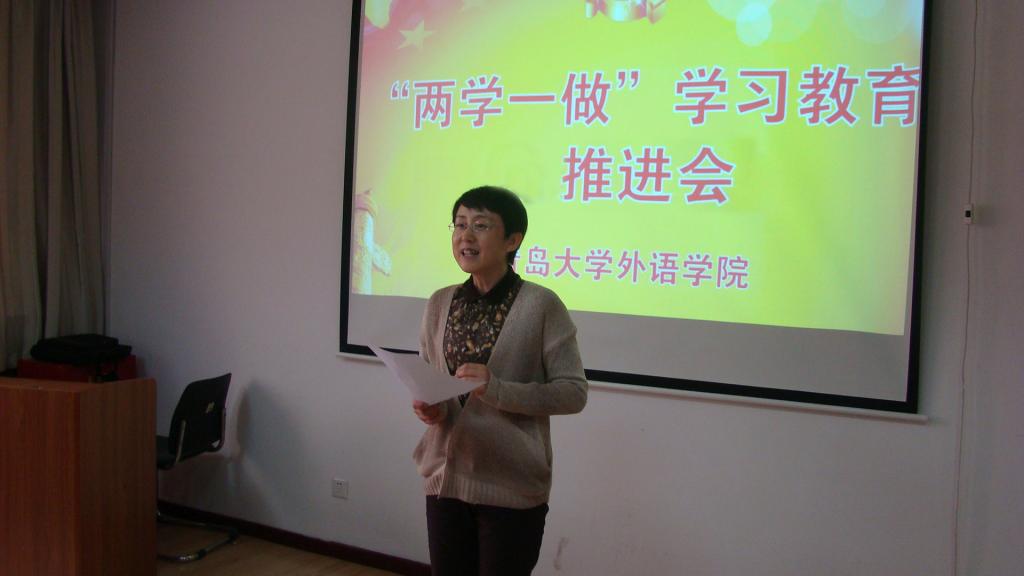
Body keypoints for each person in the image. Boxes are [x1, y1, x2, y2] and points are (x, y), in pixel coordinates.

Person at [412, 185, 588, 576]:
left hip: (510, 488)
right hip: (444, 481)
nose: (465, 236)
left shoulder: (541, 305)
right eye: (459, 224)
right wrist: (431, 407)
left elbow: (573, 393)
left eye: (480, 225)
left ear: (512, 240)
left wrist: (496, 390)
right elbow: (430, 379)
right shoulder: (439, 302)